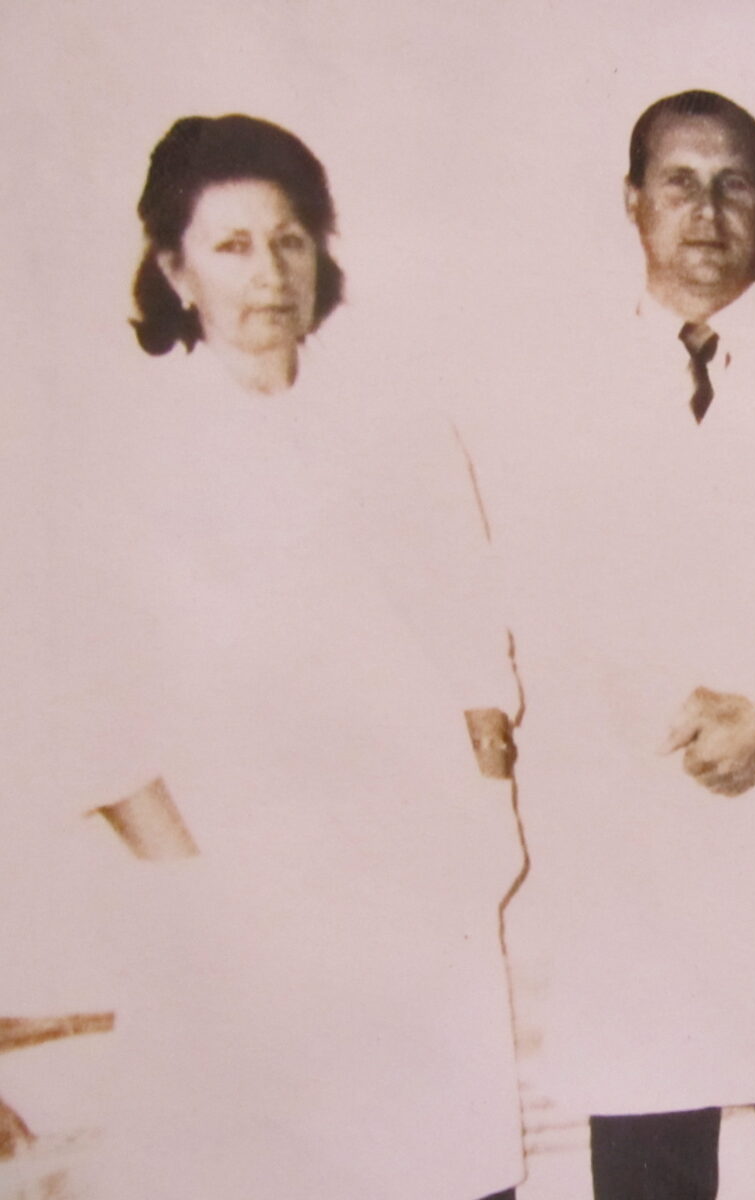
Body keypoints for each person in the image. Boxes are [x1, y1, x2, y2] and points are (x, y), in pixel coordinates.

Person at [79, 113, 525, 1200]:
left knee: (437, 1165)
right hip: (239, 899)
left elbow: (479, 647)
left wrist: (475, 811)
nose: (270, 273)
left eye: (288, 239)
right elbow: (93, 713)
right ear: (174, 271)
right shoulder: (132, 452)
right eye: (231, 246)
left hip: (415, 886)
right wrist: (200, 902)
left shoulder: (397, 425)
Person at [491, 89, 755, 1200]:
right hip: (638, 799)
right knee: (649, 1134)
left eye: (734, 186)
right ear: (633, 201)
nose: (707, 210)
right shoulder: (565, 381)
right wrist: (669, 721)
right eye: (679, 183)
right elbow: (548, 583)